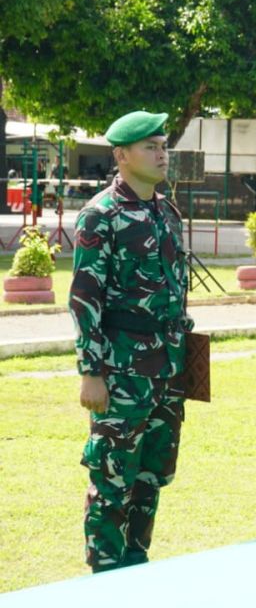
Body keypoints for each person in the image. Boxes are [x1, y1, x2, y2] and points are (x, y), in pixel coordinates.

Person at [70, 110, 191, 573]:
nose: (162, 154)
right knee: (111, 479)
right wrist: (91, 372)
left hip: (166, 369)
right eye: (150, 147)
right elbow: (85, 299)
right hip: (121, 373)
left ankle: (136, 566)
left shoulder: (166, 211)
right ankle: (104, 574)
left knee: (150, 477)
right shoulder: (101, 215)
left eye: (164, 145)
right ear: (121, 156)